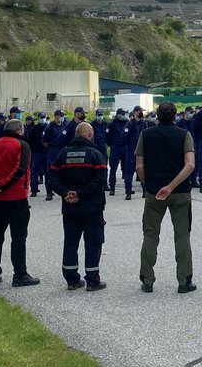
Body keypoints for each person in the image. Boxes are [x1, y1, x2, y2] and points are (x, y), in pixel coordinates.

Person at [136, 101, 197, 294]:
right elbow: (190, 164)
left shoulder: (145, 135)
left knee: (150, 235)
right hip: (179, 192)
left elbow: (139, 165)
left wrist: (151, 185)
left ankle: (147, 279)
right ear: (174, 116)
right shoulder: (184, 135)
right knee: (182, 236)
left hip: (154, 192)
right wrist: (171, 186)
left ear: (158, 116)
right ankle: (184, 280)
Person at [0, 118, 39, 288]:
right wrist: (3, 185)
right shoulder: (22, 145)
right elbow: (19, 170)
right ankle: (20, 274)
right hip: (17, 197)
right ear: (20, 131)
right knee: (18, 237)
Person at [48, 121, 109, 292]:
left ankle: (71, 280)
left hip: (70, 207)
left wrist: (66, 193)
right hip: (92, 207)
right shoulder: (95, 154)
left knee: (70, 242)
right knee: (93, 243)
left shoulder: (62, 154)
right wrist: (80, 194)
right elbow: (99, 181)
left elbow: (52, 178)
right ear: (89, 135)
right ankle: (92, 280)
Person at [107, 107, 139, 198]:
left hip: (125, 148)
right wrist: (112, 144)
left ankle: (127, 188)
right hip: (115, 147)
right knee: (113, 168)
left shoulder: (127, 123)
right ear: (117, 115)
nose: (124, 116)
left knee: (126, 169)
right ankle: (112, 188)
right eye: (122, 114)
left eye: (125, 114)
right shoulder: (112, 124)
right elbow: (107, 137)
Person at [25, 112, 47, 197]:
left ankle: (49, 190)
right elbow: (29, 141)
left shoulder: (48, 128)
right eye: (41, 117)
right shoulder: (33, 129)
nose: (42, 119)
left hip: (46, 153)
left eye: (44, 117)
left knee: (47, 172)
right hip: (36, 153)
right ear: (38, 119)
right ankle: (34, 189)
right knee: (34, 172)